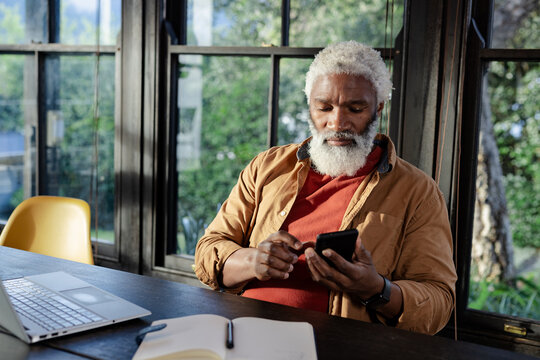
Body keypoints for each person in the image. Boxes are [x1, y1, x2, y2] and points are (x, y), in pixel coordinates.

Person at [194, 41, 457, 335]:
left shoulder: (417, 191)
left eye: (355, 109)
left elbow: (439, 302)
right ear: (309, 107)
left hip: (340, 345)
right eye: (324, 107)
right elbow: (208, 250)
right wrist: (253, 260)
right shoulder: (267, 167)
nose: (337, 123)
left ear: (378, 109)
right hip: (245, 333)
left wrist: (374, 288)